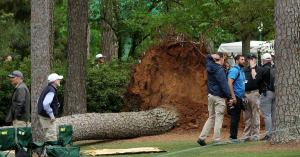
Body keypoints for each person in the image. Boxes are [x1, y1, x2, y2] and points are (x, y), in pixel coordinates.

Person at [197, 53, 232, 146]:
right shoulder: (219, 70)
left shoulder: (210, 65)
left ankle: (201, 138)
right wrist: (229, 97)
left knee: (211, 117)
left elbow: (207, 57)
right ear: (221, 59)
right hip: (218, 97)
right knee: (218, 118)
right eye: (223, 59)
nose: (224, 60)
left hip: (210, 96)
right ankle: (216, 139)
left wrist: (213, 56)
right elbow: (224, 85)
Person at [38, 73, 63, 141]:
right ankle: (50, 151)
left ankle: (47, 151)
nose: (59, 80)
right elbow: (45, 104)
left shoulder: (48, 88)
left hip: (44, 117)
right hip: (47, 118)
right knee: (51, 139)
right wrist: (51, 115)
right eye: (58, 79)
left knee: (49, 137)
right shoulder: (51, 90)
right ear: (54, 81)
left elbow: (40, 101)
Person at [255, 53, 275, 141]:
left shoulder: (263, 69)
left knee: (267, 115)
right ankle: (274, 133)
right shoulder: (274, 68)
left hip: (266, 93)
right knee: (273, 114)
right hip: (275, 93)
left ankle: (269, 134)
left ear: (263, 60)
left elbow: (257, 80)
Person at [241, 54, 261, 141]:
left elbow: (256, 79)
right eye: (249, 58)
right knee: (247, 116)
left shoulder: (259, 69)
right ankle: (246, 136)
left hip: (255, 93)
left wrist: (253, 68)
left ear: (256, 59)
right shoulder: (244, 70)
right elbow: (241, 82)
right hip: (245, 94)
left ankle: (255, 135)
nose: (251, 60)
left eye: (253, 58)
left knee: (255, 114)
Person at [227, 55, 246, 142]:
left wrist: (243, 96)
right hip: (235, 97)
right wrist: (233, 97)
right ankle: (233, 137)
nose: (244, 61)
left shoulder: (241, 71)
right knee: (234, 117)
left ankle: (234, 136)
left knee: (237, 117)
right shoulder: (234, 70)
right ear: (237, 61)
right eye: (242, 59)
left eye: (244, 59)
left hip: (239, 97)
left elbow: (242, 84)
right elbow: (229, 83)